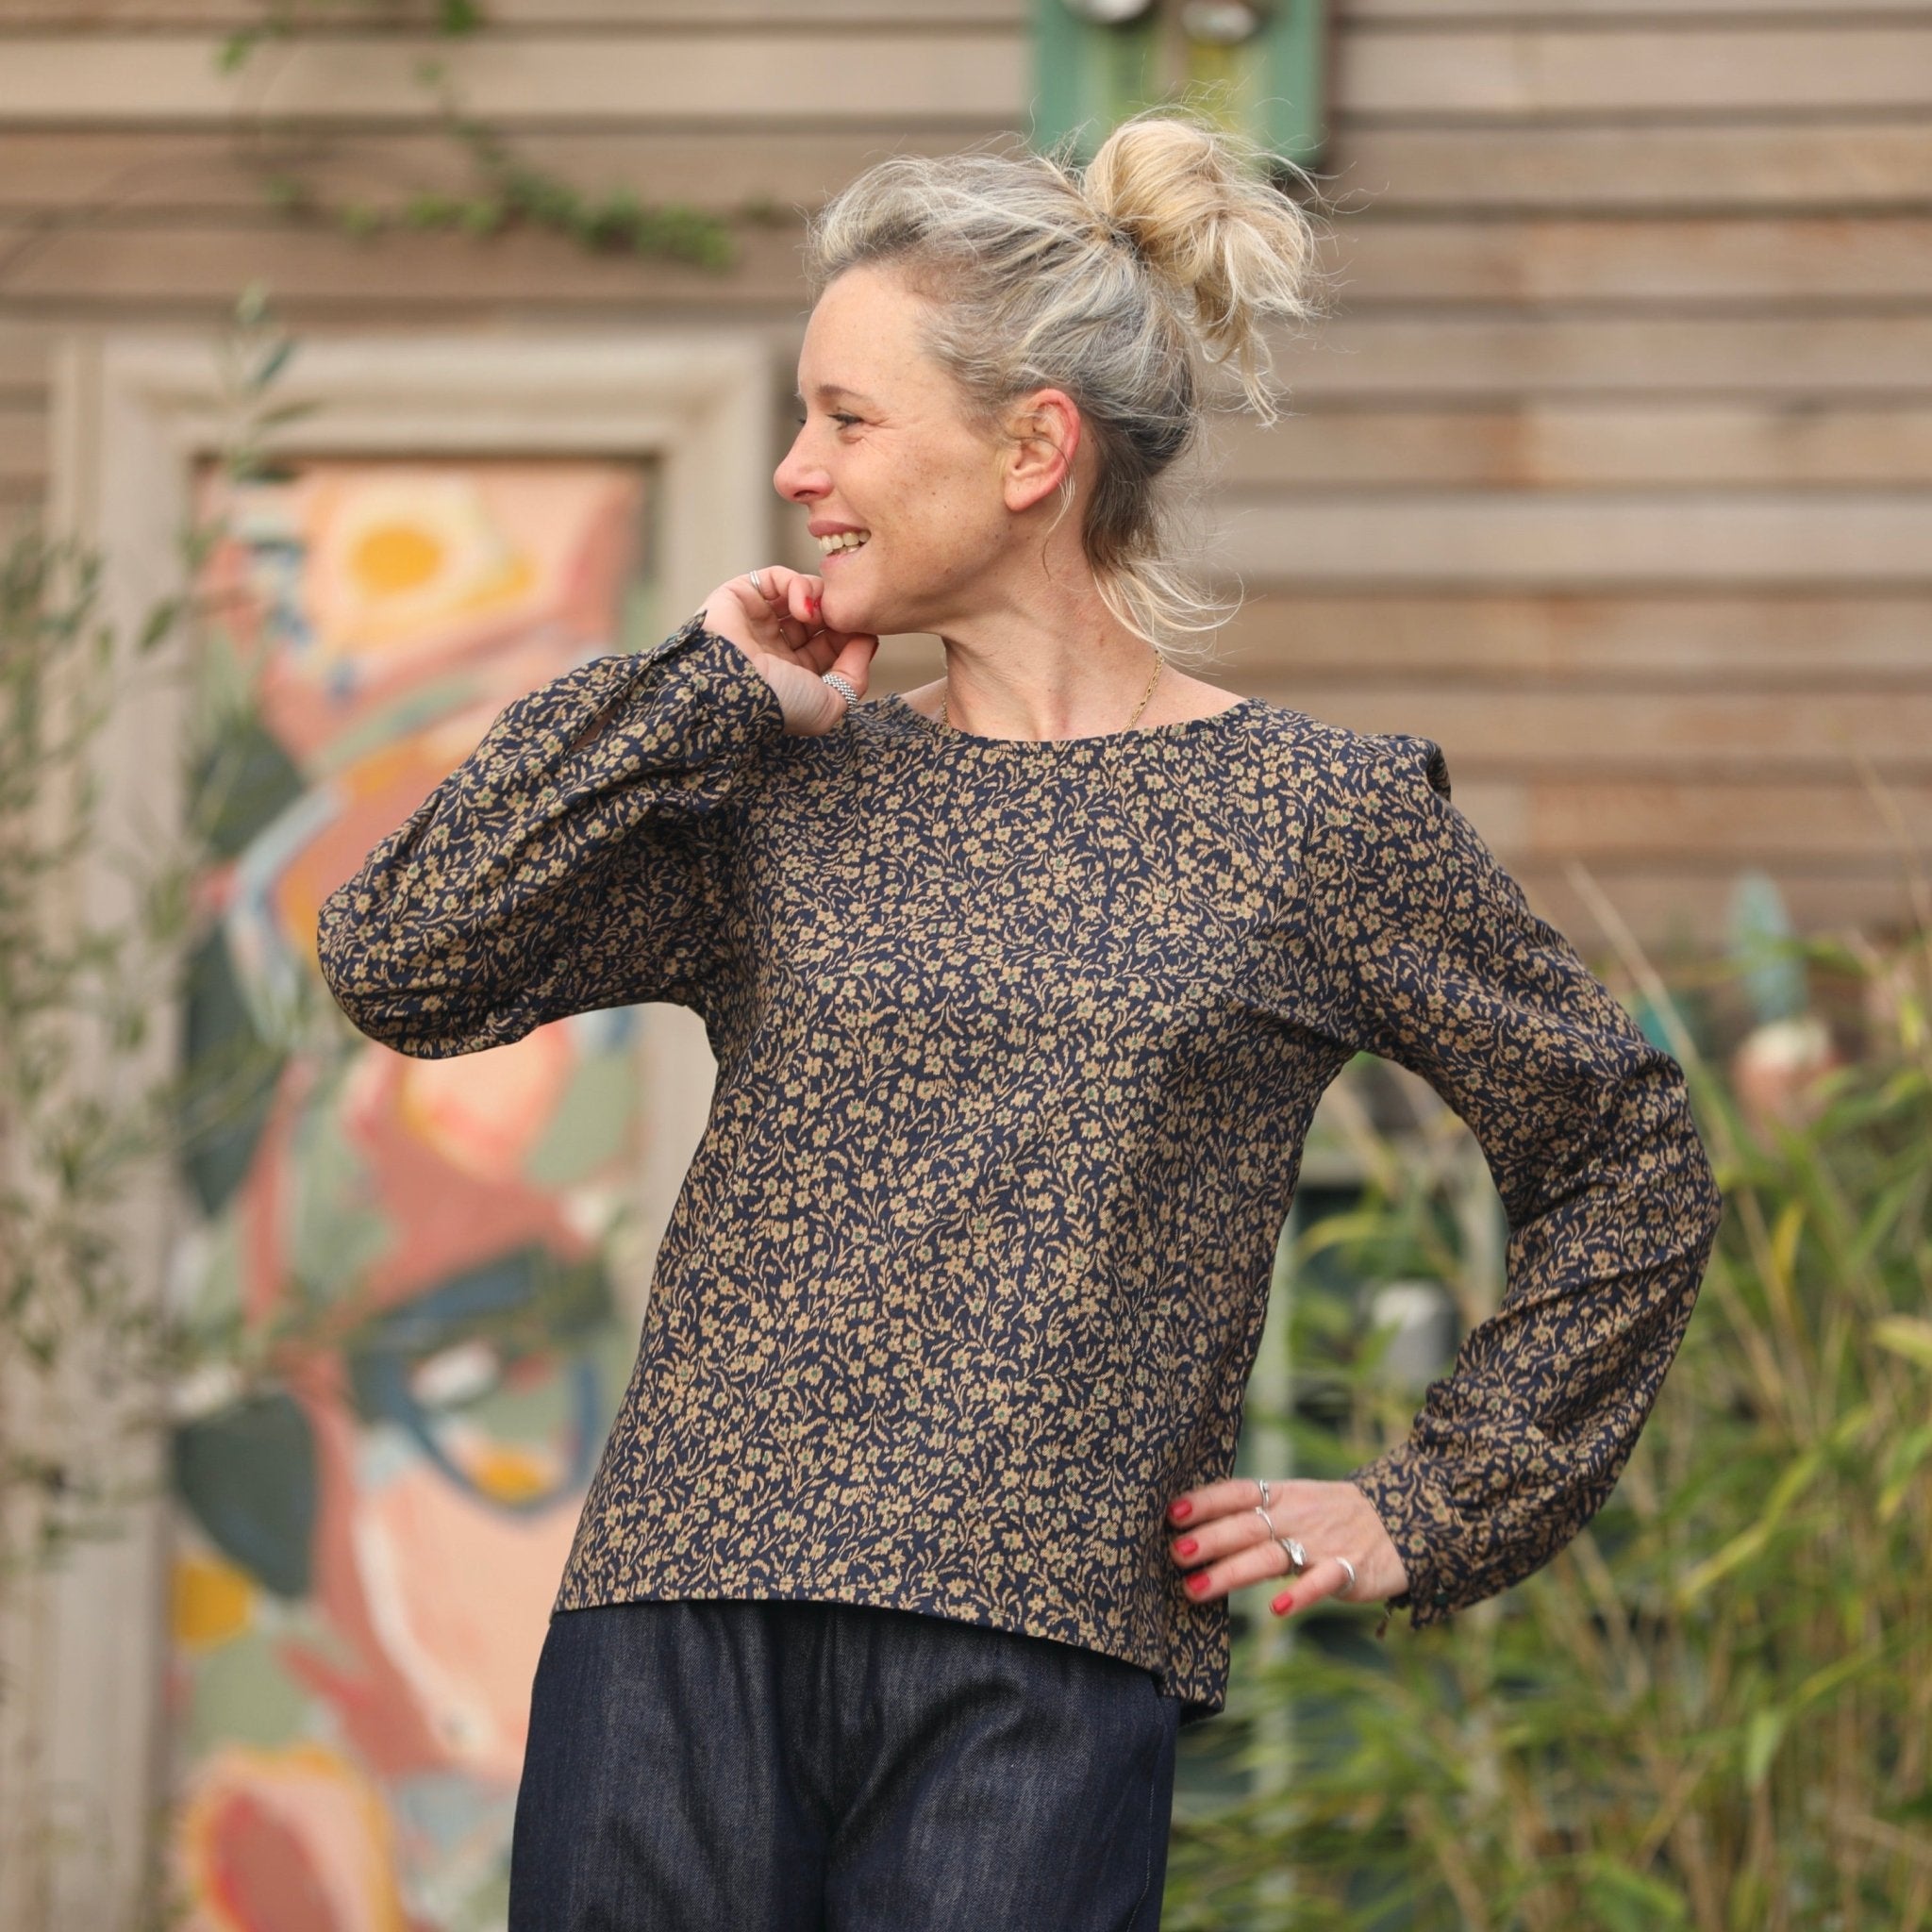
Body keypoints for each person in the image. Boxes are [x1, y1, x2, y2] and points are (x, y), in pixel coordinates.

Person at [316, 108, 1724, 1932]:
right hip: (676, 1634)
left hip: (1041, 1668)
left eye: (847, 418)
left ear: (1033, 449)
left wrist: (1440, 1503)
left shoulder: (1313, 819)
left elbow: (1623, 1147)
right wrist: (692, 696)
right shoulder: (778, 783)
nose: (796, 472)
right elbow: (401, 954)